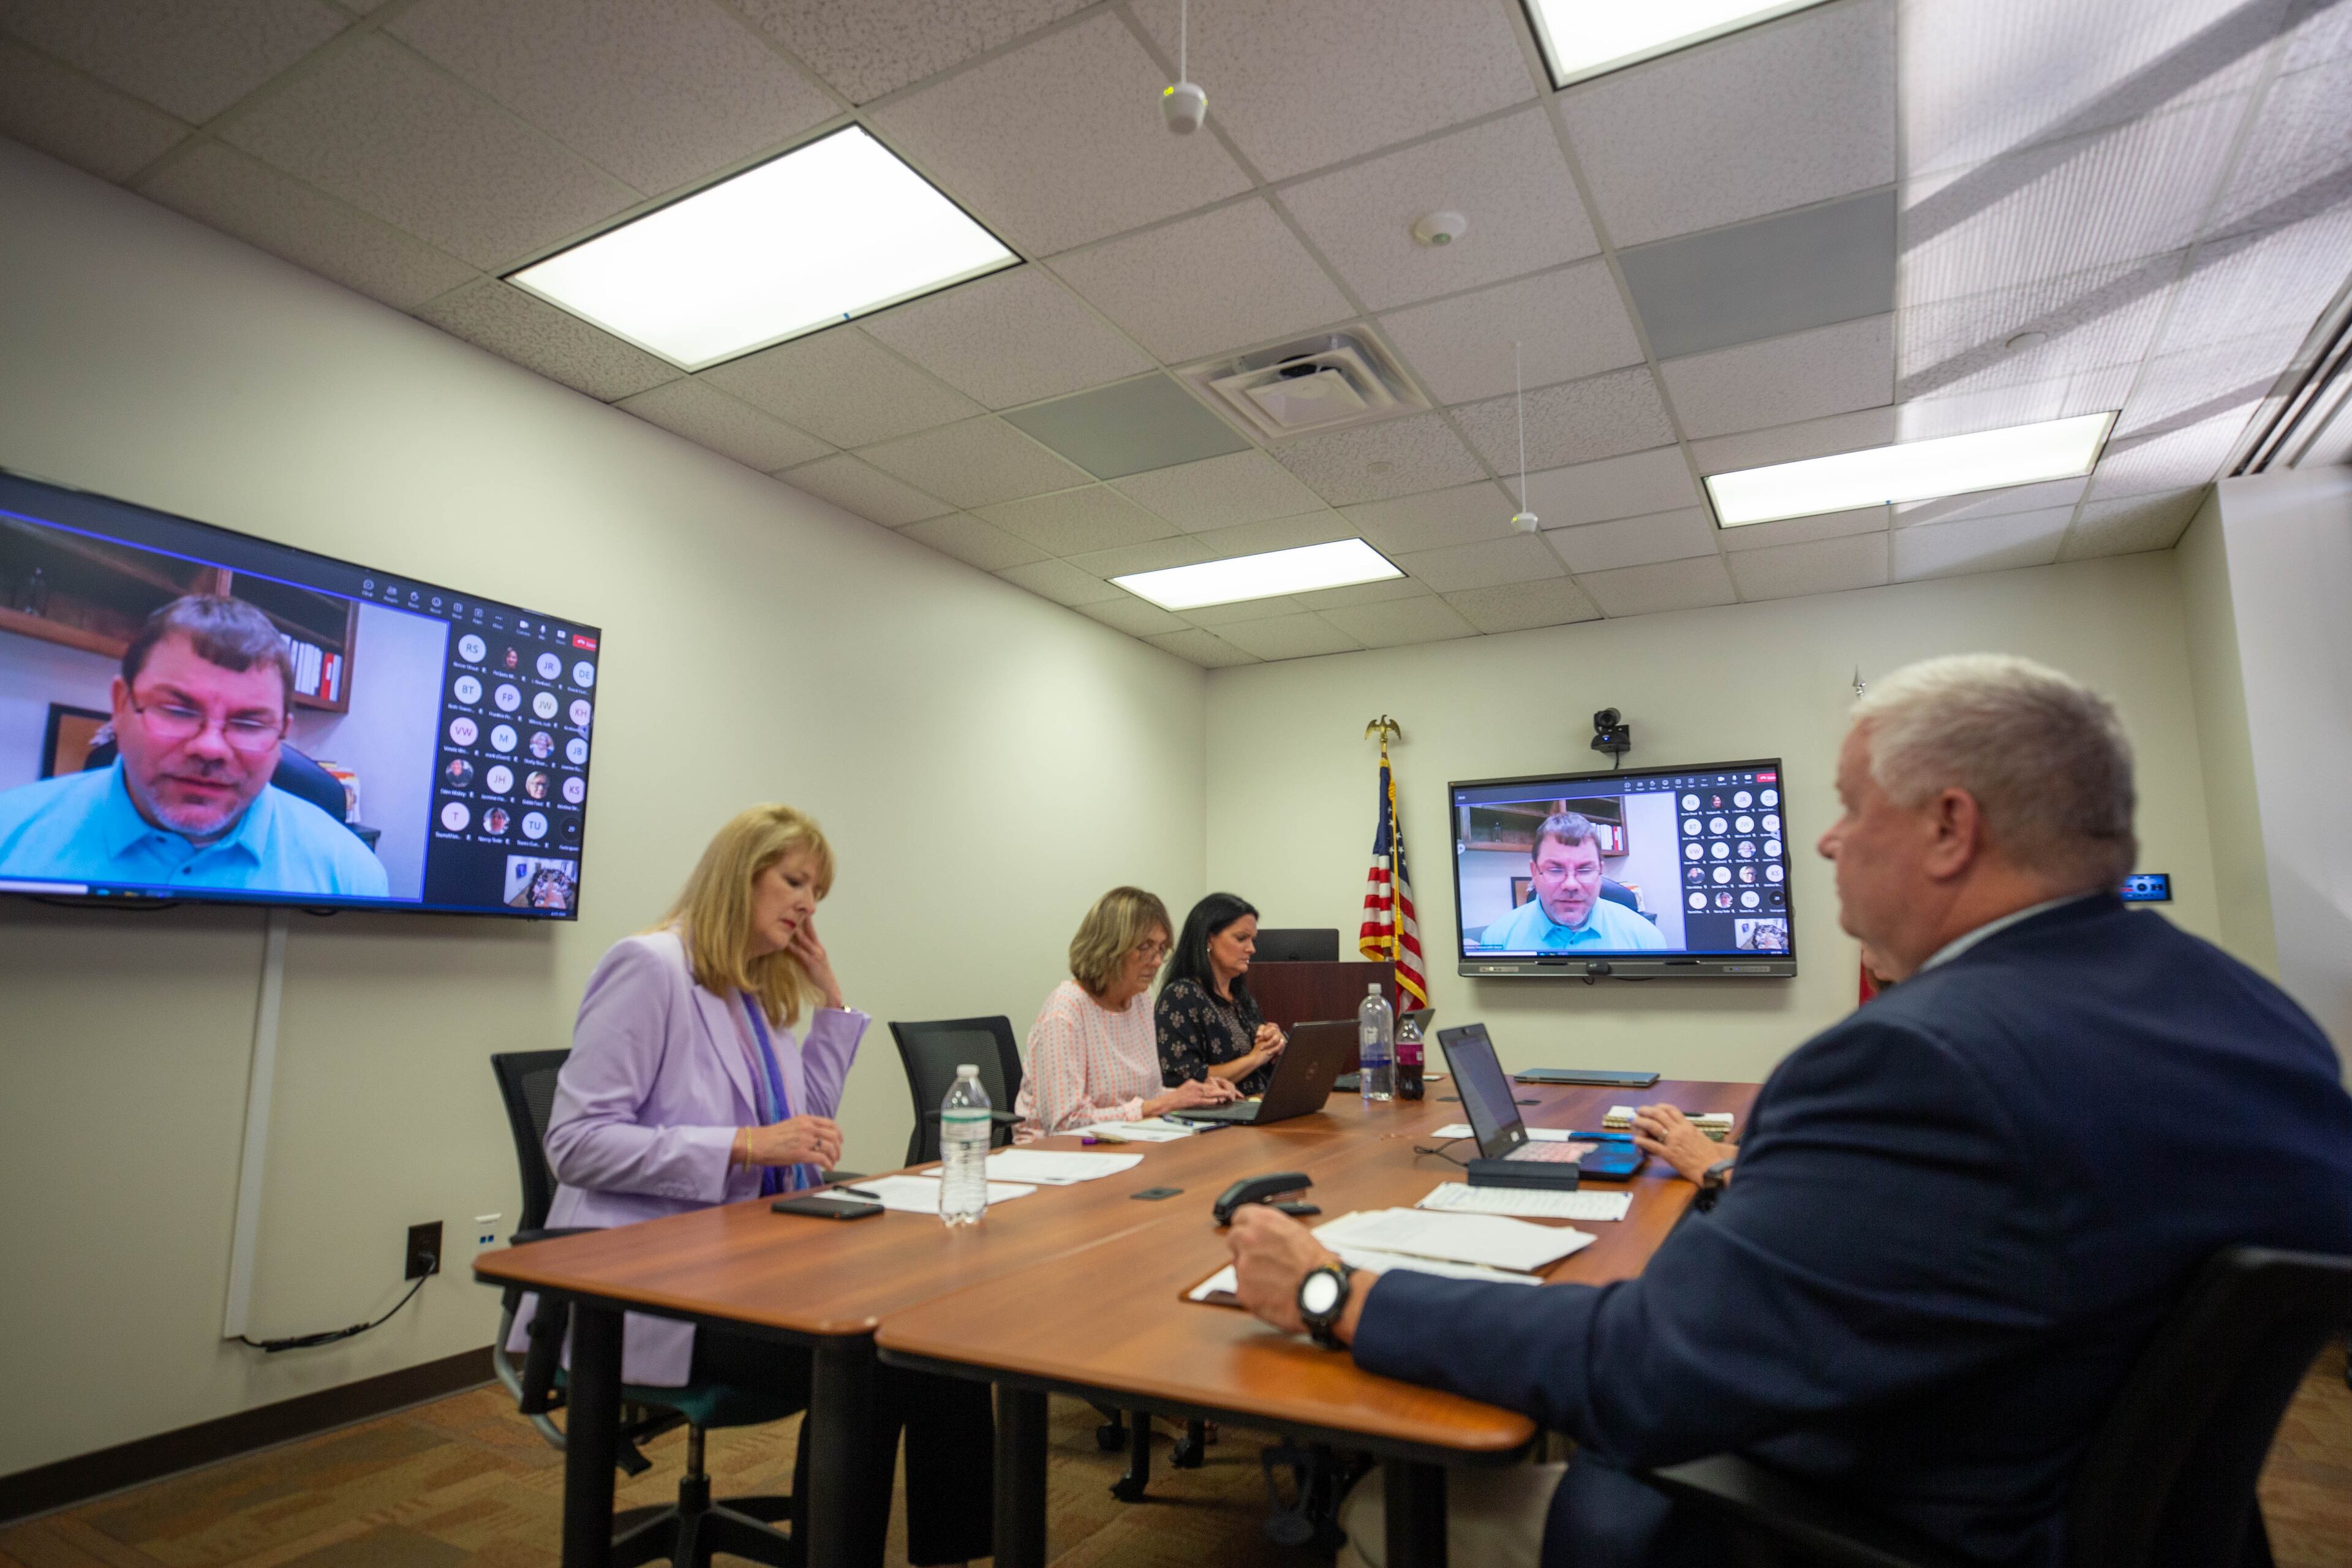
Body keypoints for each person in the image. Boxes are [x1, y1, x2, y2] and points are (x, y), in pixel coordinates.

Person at [1224, 654, 2352, 1568]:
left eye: (1852, 807)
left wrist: (1336, 1291)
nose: (1826, 839)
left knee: (1384, 1509)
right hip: (2093, 1510)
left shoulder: (1918, 1058)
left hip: (1867, 1524)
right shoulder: (2260, 1023)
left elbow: (1651, 1376)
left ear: (1951, 827)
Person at [507, 804, 990, 1564]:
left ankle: (958, 1552)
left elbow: (803, 1129)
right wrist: (740, 1145)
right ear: (740, 875)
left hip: (744, 1263)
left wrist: (831, 999)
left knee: (935, 1328)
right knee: (872, 1359)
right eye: (794, 881)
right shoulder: (649, 966)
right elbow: (574, 1143)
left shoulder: (754, 993)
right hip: (643, 1280)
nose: (807, 904)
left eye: (817, 892)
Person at [0, 595, 388, 897]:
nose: (210, 748)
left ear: (281, 734)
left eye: (250, 723)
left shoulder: (349, 876)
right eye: (177, 711)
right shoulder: (10, 836)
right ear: (120, 706)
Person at [1015, 886, 1241, 1136]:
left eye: (1161, 949)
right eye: (1145, 947)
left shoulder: (1140, 1000)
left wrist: (1196, 1094)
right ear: (1108, 947)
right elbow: (1064, 1122)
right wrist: (1163, 1104)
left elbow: (1146, 1097)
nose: (1157, 961)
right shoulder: (1065, 1011)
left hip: (1125, 1139)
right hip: (1058, 1152)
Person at [1156, 892, 1287, 1095]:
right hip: (1218, 1113)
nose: (1252, 949)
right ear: (1209, 939)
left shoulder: (1241, 997)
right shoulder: (1180, 996)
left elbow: (1264, 1060)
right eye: (1241, 938)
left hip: (1257, 1104)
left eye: (1253, 940)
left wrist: (1276, 1043)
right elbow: (1183, 1080)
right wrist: (1254, 1059)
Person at [1478, 812, 1667, 951]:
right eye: (1555, 870)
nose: (1571, 885)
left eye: (1585, 870)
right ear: (1535, 872)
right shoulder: (1498, 939)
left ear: (1600, 872)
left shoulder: (1646, 939)